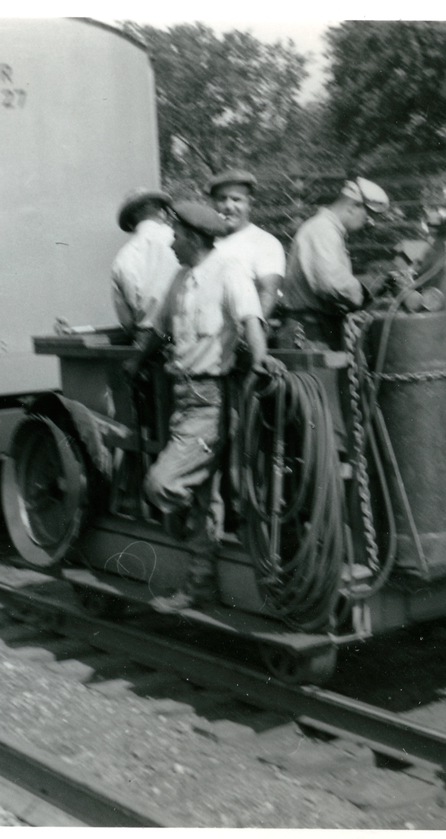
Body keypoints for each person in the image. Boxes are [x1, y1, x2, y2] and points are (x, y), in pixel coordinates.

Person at [125, 200, 284, 611]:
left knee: (162, 484)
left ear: (194, 239)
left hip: (211, 399)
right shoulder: (180, 278)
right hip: (181, 396)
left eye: (176, 236)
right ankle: (200, 586)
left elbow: (251, 319)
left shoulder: (229, 271)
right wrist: (137, 361)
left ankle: (195, 535)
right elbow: (159, 329)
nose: (171, 243)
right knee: (200, 495)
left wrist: (261, 358)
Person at [278, 177, 391, 350]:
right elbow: (332, 283)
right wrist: (370, 286)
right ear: (353, 206)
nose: (368, 224)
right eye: (368, 218)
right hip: (309, 333)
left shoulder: (329, 230)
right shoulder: (322, 230)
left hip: (318, 329)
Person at [206, 168, 286, 317]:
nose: (229, 206)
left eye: (236, 199)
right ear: (212, 203)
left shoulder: (264, 242)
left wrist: (253, 328)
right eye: (221, 199)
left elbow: (268, 292)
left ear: (250, 203)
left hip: (241, 327)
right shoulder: (204, 239)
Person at [110, 187, 181, 337]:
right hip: (184, 336)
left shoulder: (122, 257)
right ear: (162, 212)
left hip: (148, 341)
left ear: (131, 223)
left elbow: (126, 322)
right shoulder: (180, 240)